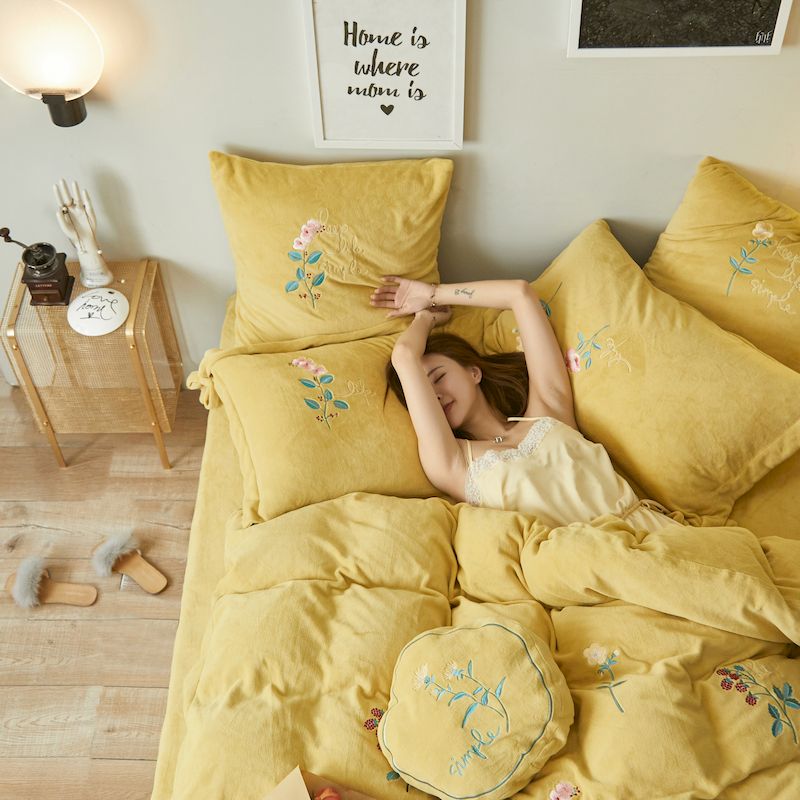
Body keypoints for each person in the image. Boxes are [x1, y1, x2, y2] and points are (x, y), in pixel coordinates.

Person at [372, 275, 678, 531]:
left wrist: (433, 294)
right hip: (586, 565)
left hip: (654, 534)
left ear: (474, 372)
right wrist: (425, 318)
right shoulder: (452, 463)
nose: (435, 395)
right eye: (424, 392)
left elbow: (519, 294)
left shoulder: (549, 410)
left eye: (439, 377)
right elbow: (404, 356)